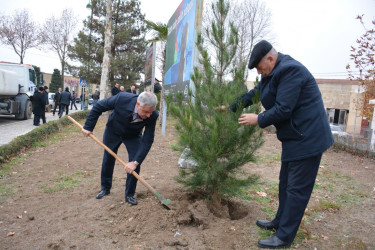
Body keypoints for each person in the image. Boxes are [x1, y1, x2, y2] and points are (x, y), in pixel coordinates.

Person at [228, 40, 334, 248]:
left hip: (308, 137)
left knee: (296, 189)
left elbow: (284, 108)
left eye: (260, 67)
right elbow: (254, 93)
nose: (259, 72)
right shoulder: (270, 74)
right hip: (294, 137)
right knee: (285, 183)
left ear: (270, 58)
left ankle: (285, 236)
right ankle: (279, 222)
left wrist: (257, 119)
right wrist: (231, 107)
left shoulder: (290, 71)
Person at [81, 91, 158, 205]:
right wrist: (88, 126)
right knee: (108, 159)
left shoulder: (153, 115)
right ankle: (105, 188)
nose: (148, 115)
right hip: (113, 131)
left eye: (150, 112)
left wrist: (135, 163)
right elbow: (98, 106)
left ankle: (129, 194)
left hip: (133, 135)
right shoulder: (122, 99)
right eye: (145, 112)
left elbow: (147, 140)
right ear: (137, 104)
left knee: (135, 162)